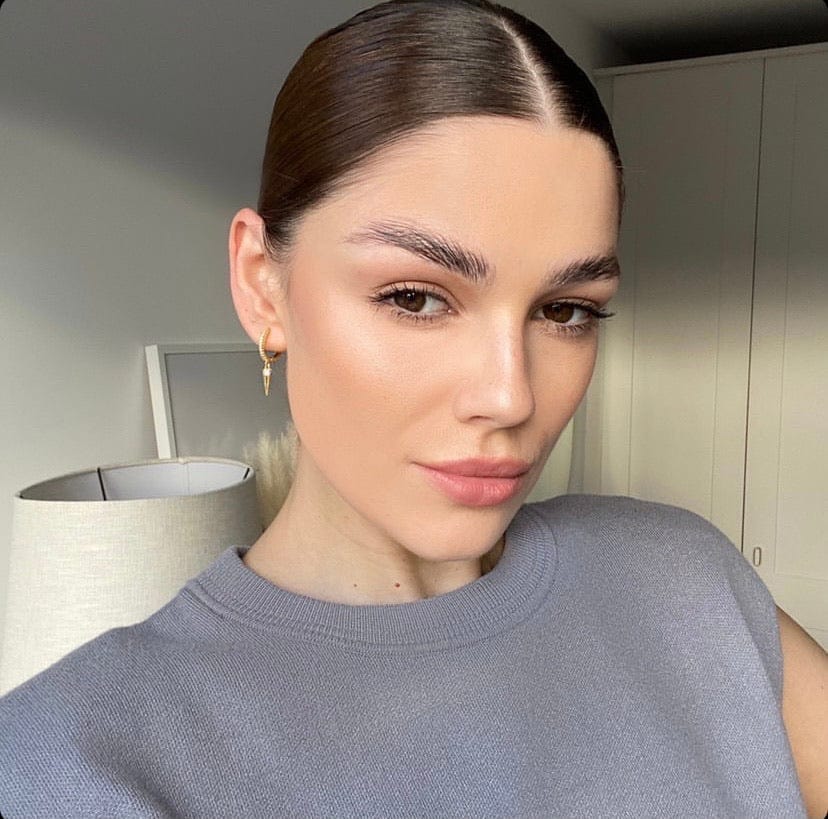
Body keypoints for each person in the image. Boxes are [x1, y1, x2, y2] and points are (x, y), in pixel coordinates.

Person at [1, 0, 826, 816]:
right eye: (415, 297)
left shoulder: (683, 576)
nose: (510, 395)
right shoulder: (68, 764)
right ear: (262, 285)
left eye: (566, 309)